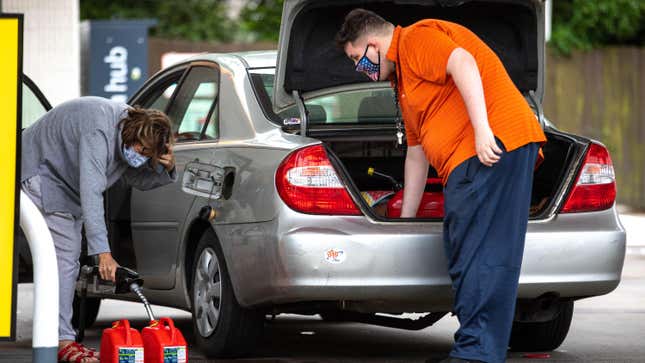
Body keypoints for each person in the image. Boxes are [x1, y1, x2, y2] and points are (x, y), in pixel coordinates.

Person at [336, 9, 547, 363]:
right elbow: (416, 156)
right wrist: (405, 219)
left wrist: (482, 130)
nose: (360, 68)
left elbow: (462, 63)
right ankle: (476, 347)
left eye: (358, 59)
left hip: (489, 148)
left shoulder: (415, 39)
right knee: (463, 249)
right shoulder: (403, 83)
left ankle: (477, 353)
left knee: (483, 254)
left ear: (373, 44)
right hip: (470, 160)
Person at [21, 96, 177, 363]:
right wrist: (102, 252)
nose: (140, 158)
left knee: (66, 261)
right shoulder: (99, 130)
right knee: (64, 261)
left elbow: (134, 176)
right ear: (133, 136)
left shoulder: (130, 134)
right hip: (40, 172)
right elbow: (92, 192)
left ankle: (61, 337)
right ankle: (61, 340)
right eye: (141, 152)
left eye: (147, 155)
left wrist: (168, 170)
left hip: (65, 184)